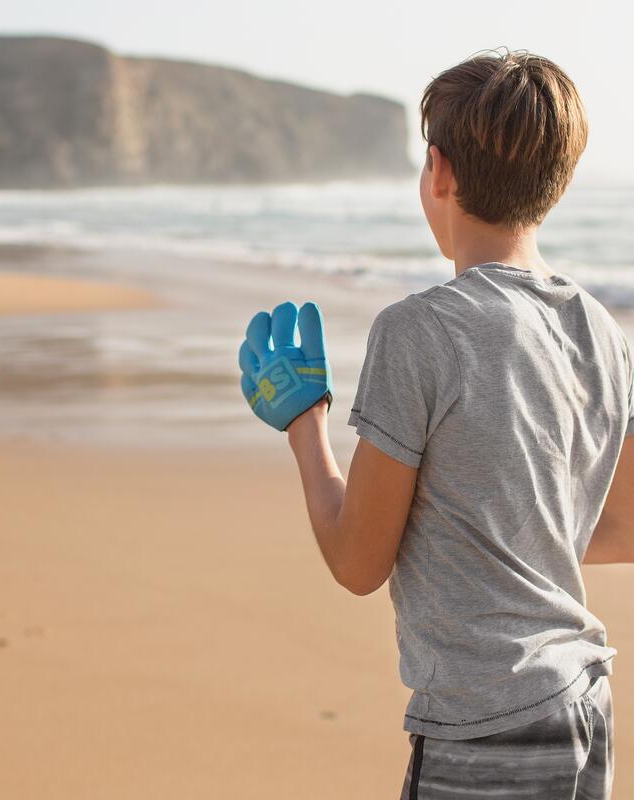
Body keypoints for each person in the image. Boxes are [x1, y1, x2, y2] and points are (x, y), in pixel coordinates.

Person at [239, 49, 633, 799]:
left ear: (440, 172)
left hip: (486, 717)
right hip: (585, 700)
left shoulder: (419, 331)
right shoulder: (601, 330)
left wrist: (304, 426)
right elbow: (627, 525)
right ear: (560, 181)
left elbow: (358, 562)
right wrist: (510, 529)